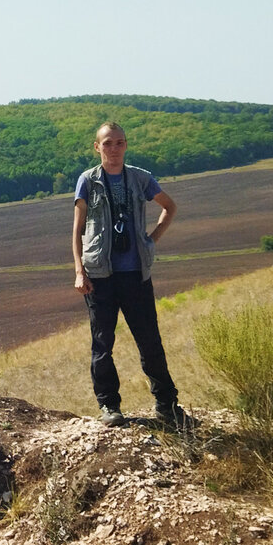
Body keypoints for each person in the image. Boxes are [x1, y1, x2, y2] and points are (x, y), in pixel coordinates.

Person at [71, 122, 190, 429]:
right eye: (108, 143)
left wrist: (151, 240)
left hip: (136, 274)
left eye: (120, 142)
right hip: (100, 276)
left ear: (126, 145)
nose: (114, 148)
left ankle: (167, 405)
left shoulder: (140, 178)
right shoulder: (88, 181)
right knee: (102, 343)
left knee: (150, 341)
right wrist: (79, 272)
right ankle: (109, 405)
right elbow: (77, 228)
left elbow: (169, 207)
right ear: (97, 147)